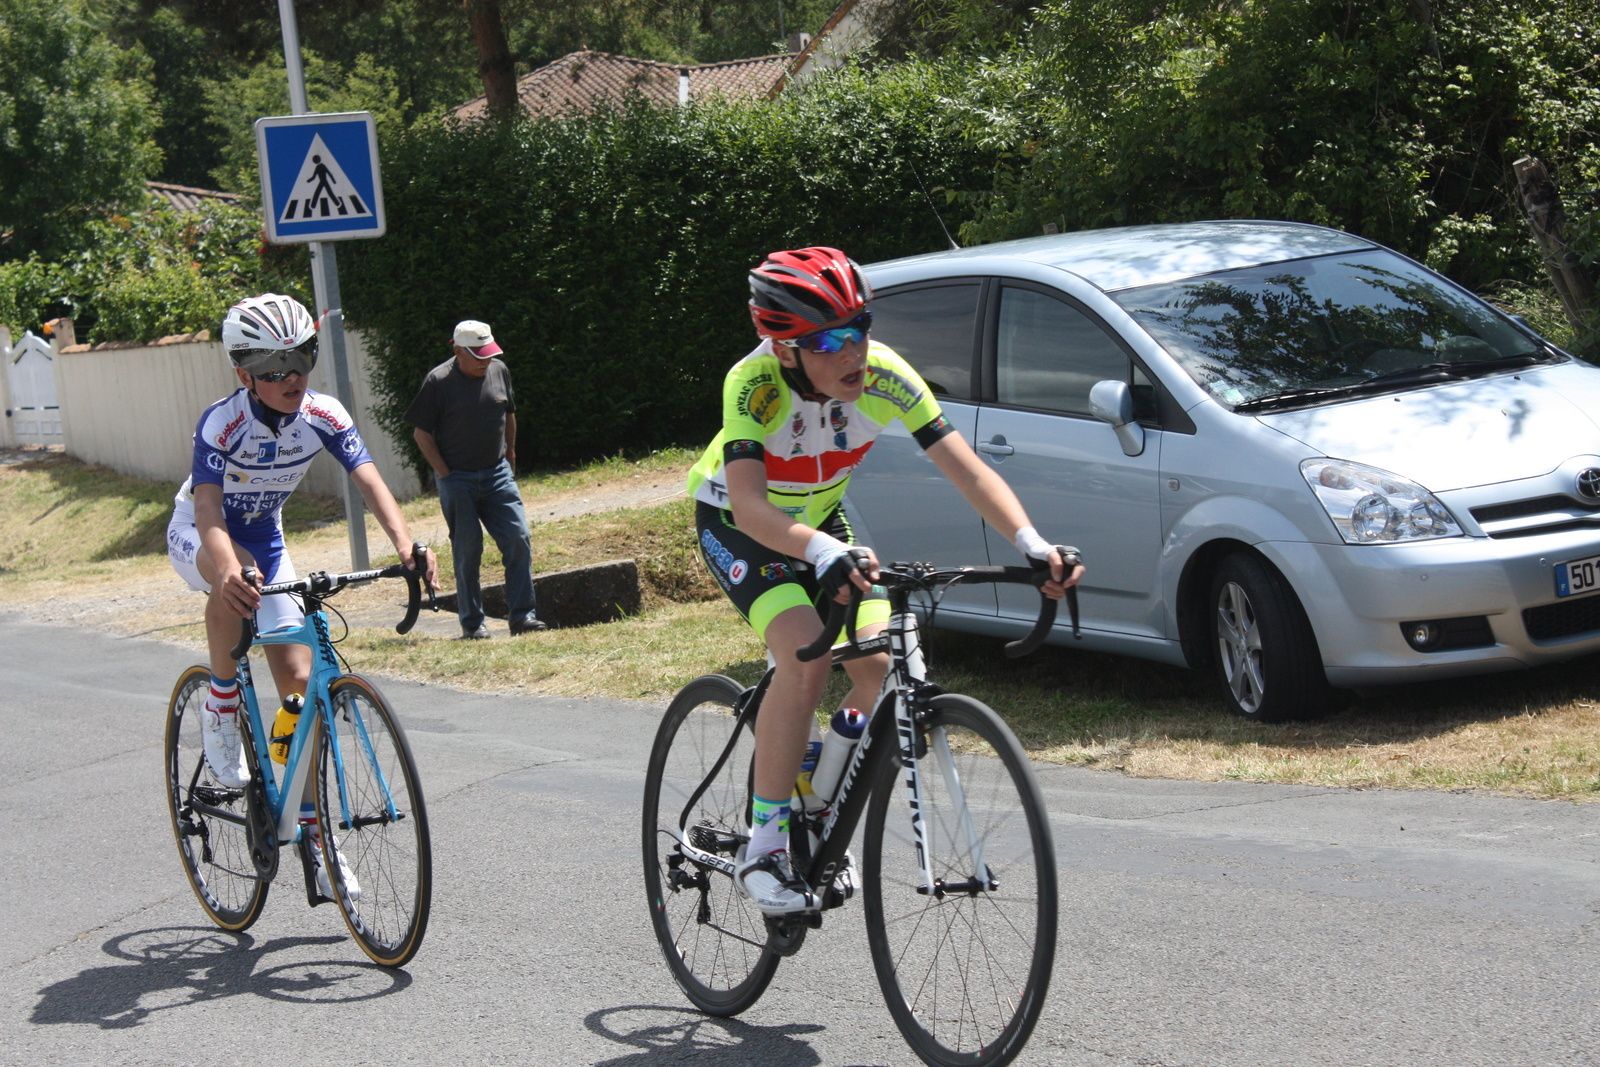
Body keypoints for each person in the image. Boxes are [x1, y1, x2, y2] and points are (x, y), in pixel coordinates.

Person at [687, 246, 1085, 916]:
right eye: (828, 341)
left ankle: (817, 786)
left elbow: (969, 471)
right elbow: (751, 507)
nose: (853, 351)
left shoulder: (886, 376)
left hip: (821, 522)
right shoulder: (753, 385)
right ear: (785, 350)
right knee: (804, 655)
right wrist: (821, 551)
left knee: (877, 664)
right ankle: (765, 845)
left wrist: (1033, 542)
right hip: (740, 526)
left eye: (860, 327)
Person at [166, 292, 439, 900]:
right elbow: (207, 508)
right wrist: (227, 567)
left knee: (299, 688)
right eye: (273, 367)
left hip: (266, 537)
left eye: (301, 359)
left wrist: (406, 545)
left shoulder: (323, 413)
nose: (291, 376)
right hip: (202, 532)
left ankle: (314, 833)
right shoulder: (221, 422)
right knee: (234, 576)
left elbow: (368, 478)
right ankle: (220, 702)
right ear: (244, 374)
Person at [405, 320, 545, 640]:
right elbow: (421, 434)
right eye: (478, 355)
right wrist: (445, 473)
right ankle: (472, 624)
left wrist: (510, 453)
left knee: (518, 538)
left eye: (489, 353)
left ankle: (523, 616)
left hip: (497, 474)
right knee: (468, 550)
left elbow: (509, 413)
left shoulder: (499, 370)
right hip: (458, 479)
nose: (486, 361)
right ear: (457, 350)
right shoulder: (438, 381)